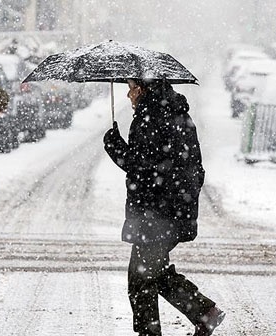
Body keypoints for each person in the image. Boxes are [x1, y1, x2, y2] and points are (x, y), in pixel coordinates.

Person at [103, 78, 225, 336]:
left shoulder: (151, 118)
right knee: (149, 273)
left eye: (131, 88)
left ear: (143, 89)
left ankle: (199, 314)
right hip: (173, 209)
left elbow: (141, 168)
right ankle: (202, 314)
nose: (128, 95)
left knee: (143, 277)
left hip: (157, 212)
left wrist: (115, 147)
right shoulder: (177, 115)